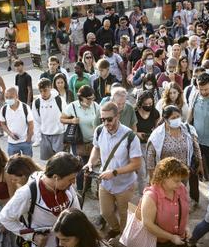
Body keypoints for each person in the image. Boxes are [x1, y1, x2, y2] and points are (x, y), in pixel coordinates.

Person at [84, 102, 142, 238]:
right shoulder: (99, 130)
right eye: (102, 119)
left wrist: (114, 172)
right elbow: (96, 148)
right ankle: (115, 229)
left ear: (118, 116)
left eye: (109, 119)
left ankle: (124, 239)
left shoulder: (130, 136)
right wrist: (90, 163)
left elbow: (136, 164)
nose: (105, 123)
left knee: (125, 215)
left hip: (125, 185)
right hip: (105, 183)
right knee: (106, 213)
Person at [147, 105, 203, 201]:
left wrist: (200, 164)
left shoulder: (187, 129)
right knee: (167, 196)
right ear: (165, 119)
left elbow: (196, 147)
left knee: (180, 193)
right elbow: (150, 158)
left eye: (178, 116)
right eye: (173, 118)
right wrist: (153, 178)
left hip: (183, 172)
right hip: (166, 174)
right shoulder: (157, 135)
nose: (176, 119)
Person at [61, 85, 101, 194]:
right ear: (81, 97)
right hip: (78, 142)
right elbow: (62, 119)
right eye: (88, 99)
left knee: (90, 165)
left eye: (92, 98)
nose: (91, 101)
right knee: (80, 166)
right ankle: (80, 189)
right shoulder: (72, 106)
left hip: (92, 142)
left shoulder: (95, 106)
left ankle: (87, 189)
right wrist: (72, 121)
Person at [188, 73, 209, 182]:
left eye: (206, 89)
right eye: (201, 89)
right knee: (193, 170)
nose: (203, 92)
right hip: (196, 140)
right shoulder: (196, 96)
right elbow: (190, 116)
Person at [135, 90, 160, 194]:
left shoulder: (154, 112)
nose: (148, 106)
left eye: (150, 104)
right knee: (142, 172)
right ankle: (142, 194)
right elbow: (132, 130)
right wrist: (138, 134)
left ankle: (151, 191)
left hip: (150, 144)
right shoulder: (135, 112)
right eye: (146, 104)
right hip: (137, 144)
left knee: (150, 169)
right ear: (140, 103)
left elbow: (158, 126)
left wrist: (154, 132)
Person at [33, 78, 65, 161]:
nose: (43, 93)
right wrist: (38, 137)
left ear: (50, 88)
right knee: (48, 161)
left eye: (45, 90)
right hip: (44, 136)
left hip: (59, 134)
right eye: (41, 91)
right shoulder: (37, 102)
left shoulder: (59, 99)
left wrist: (65, 132)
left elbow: (66, 116)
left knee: (60, 160)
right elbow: (36, 120)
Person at [0, 86, 34, 156]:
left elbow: (31, 124)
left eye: (11, 97)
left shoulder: (25, 108)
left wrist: (29, 138)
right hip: (12, 143)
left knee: (28, 164)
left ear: (16, 96)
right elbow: (2, 124)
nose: (8, 99)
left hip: (25, 142)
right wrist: (10, 134)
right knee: (14, 164)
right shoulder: (4, 109)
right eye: (6, 97)